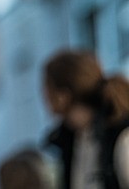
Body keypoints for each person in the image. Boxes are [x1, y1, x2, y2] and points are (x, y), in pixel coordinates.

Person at [43, 50, 129, 189]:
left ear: (63, 95)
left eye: (47, 87)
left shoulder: (121, 137)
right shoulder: (71, 140)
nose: (44, 96)